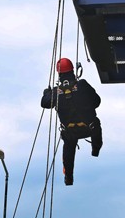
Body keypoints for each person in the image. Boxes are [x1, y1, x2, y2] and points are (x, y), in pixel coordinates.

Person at [41, 58, 102, 186]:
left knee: (68, 148)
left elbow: (44, 103)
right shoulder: (82, 85)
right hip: (89, 128)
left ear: (59, 73)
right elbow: (97, 102)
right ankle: (95, 150)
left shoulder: (56, 92)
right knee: (96, 125)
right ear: (73, 70)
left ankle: (69, 177)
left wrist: (47, 93)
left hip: (70, 132)